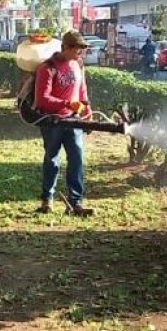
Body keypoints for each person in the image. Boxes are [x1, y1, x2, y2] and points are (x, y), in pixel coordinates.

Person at [33, 31, 94, 216]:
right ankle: (47, 200)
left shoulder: (78, 65)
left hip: (73, 119)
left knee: (76, 159)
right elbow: (42, 99)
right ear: (66, 47)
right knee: (52, 160)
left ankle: (76, 203)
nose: (81, 52)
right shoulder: (48, 68)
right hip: (53, 121)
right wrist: (67, 103)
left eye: (83, 48)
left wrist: (86, 107)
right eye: (78, 48)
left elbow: (81, 90)